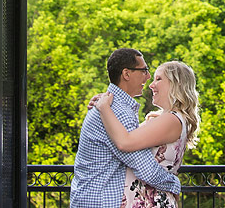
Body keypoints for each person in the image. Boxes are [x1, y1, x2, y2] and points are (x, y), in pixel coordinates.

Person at [70, 48, 182, 208]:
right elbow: (144, 166)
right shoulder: (117, 111)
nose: (148, 77)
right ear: (126, 74)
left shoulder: (110, 106)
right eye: (144, 70)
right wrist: (174, 186)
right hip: (101, 202)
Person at [95, 60, 200, 208]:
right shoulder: (167, 118)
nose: (151, 85)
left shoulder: (171, 120)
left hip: (151, 203)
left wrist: (104, 108)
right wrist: (105, 101)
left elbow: (124, 142)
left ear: (176, 84)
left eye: (158, 79)